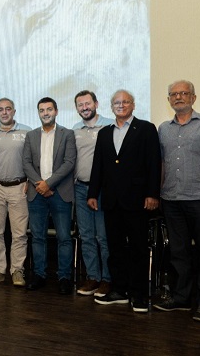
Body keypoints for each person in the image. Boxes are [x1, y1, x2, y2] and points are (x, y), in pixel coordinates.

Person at [153, 80, 200, 323]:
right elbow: (162, 164)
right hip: (172, 199)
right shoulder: (163, 128)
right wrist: (158, 193)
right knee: (179, 252)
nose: (179, 97)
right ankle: (182, 297)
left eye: (184, 93)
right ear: (168, 101)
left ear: (193, 98)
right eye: (174, 94)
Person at [87, 89, 161, 313]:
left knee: (138, 248)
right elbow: (98, 166)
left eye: (125, 102)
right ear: (111, 107)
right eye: (117, 103)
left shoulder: (146, 129)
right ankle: (119, 290)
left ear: (133, 105)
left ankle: (138, 295)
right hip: (111, 201)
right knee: (115, 248)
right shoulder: (104, 133)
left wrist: (152, 194)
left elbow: (154, 164)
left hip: (138, 201)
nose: (121, 105)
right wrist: (92, 193)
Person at [23, 97, 76, 294]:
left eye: (49, 109)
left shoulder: (67, 134)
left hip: (60, 193)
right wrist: (40, 184)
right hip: (36, 193)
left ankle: (64, 277)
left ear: (56, 111)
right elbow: (26, 163)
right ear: (38, 113)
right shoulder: (31, 135)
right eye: (42, 110)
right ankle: (39, 274)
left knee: (63, 237)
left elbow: (69, 163)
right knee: (38, 237)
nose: (45, 113)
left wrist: (49, 184)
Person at [0, 98, 31, 287]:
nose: (4, 112)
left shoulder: (27, 132)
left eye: (8, 109)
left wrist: (31, 181)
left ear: (14, 111)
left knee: (19, 234)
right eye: (0, 110)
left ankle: (17, 270)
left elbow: (34, 159)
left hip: (20, 187)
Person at [72, 90, 114, 297]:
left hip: (104, 190)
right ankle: (93, 277)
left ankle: (107, 279)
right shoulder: (75, 130)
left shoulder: (110, 126)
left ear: (96, 103)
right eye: (80, 105)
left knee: (103, 237)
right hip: (80, 188)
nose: (84, 107)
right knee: (87, 236)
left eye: (87, 103)